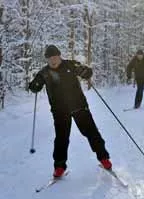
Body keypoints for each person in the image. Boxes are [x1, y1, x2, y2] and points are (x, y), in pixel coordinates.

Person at [29, 45, 112, 177]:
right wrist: (34, 86)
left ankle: (104, 159)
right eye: (50, 59)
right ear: (47, 60)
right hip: (59, 111)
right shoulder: (44, 73)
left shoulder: (70, 65)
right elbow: (33, 86)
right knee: (61, 138)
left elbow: (87, 71)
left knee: (91, 133)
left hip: (79, 107)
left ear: (59, 56)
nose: (53, 60)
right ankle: (59, 167)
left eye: (55, 57)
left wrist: (85, 72)